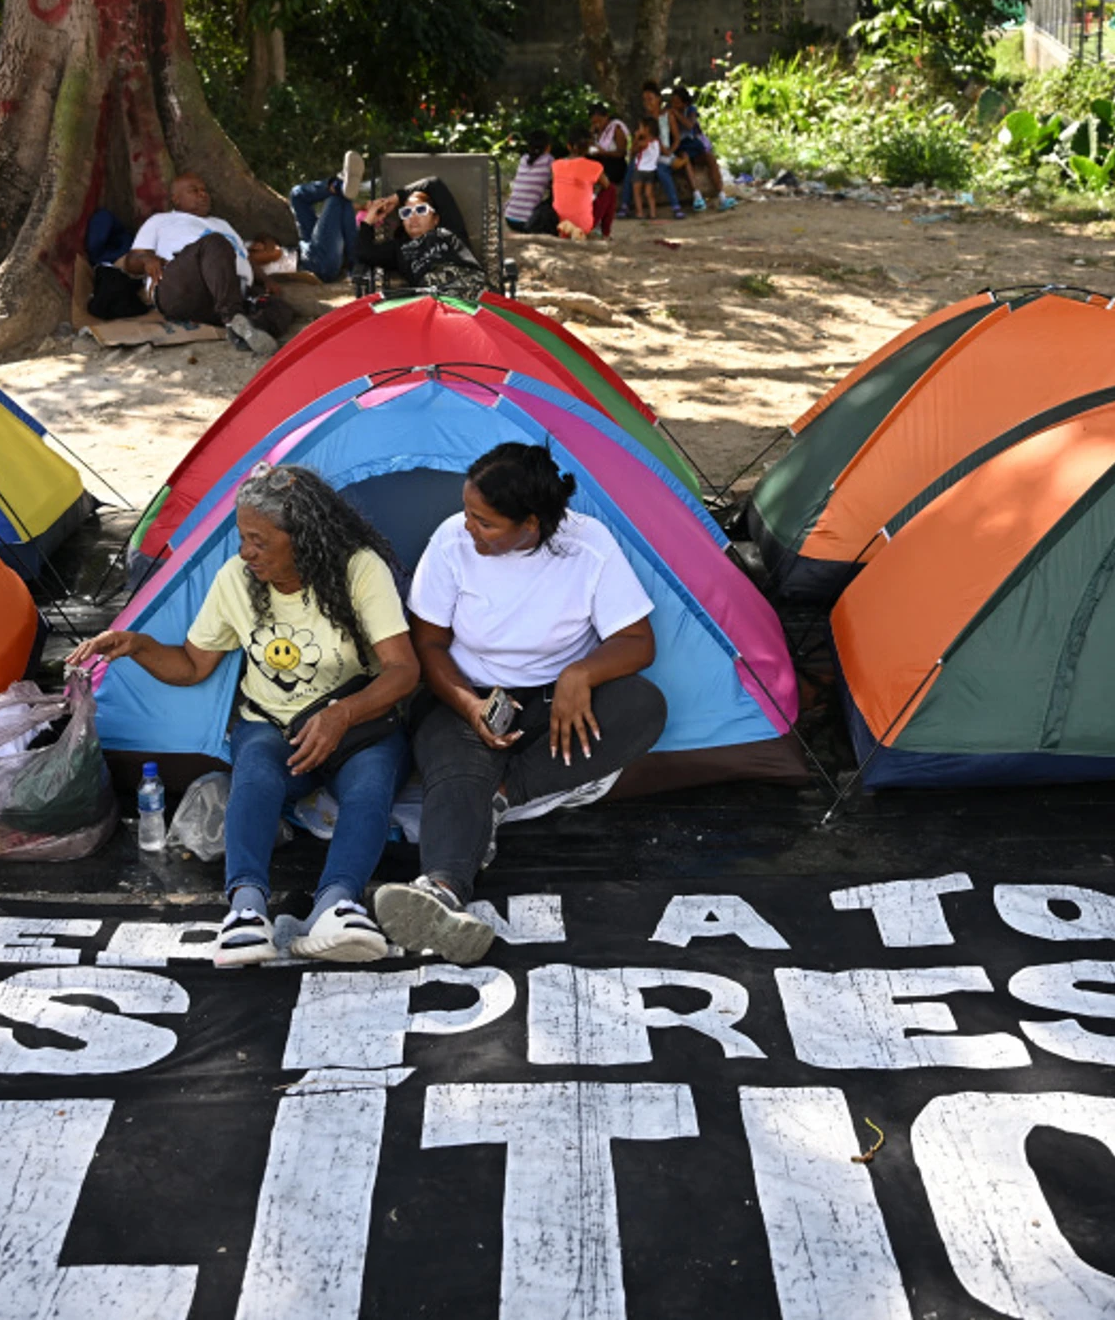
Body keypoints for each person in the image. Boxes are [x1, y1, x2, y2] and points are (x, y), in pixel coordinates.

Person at [68, 464, 419, 966]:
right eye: (241, 538)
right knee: (254, 773)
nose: (244, 552)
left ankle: (336, 906)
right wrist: (138, 645)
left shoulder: (358, 569)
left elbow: (403, 671)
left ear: (303, 537)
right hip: (273, 723)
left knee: (370, 786)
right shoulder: (237, 580)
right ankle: (247, 910)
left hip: (357, 724)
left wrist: (342, 715)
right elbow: (192, 665)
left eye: (258, 540)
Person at [373, 444, 667, 964]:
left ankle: (503, 793)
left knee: (642, 706)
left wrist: (583, 672)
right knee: (457, 764)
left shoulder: (588, 547)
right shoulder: (449, 543)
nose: (467, 529)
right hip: (463, 692)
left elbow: (637, 642)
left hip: (553, 702)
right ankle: (442, 892)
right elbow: (429, 645)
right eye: (467, 513)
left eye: (484, 523)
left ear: (531, 524)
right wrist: (468, 704)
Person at [84, 173, 283, 353]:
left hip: (227, 292)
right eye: (194, 190)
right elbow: (131, 261)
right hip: (180, 286)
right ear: (176, 199)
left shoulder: (223, 224)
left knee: (281, 308)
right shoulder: (160, 221)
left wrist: (265, 279)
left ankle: (244, 331)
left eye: (204, 191)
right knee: (214, 243)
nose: (203, 195)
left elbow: (243, 257)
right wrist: (146, 260)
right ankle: (234, 319)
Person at [356, 181, 488, 301]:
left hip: (474, 292)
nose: (413, 216)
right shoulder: (399, 249)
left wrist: (395, 199)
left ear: (436, 219)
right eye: (406, 212)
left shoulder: (450, 230)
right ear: (402, 222)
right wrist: (369, 220)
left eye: (421, 210)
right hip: (437, 303)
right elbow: (364, 252)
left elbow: (434, 184)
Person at [287, 151, 364, 282]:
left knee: (297, 194)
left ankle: (336, 185)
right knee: (337, 200)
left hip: (307, 245)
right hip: (316, 264)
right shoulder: (246, 257)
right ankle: (356, 261)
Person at [670, 87, 727, 210]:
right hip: (681, 145)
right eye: (673, 102)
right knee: (685, 159)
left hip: (693, 143)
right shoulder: (669, 113)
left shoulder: (690, 110)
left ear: (684, 103)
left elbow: (690, 125)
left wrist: (677, 114)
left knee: (710, 158)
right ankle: (697, 195)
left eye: (677, 102)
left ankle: (722, 195)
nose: (674, 105)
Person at [636, 83, 685, 220]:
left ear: (659, 100)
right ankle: (626, 206)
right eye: (645, 100)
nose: (647, 103)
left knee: (662, 171)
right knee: (632, 171)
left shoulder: (667, 116)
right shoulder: (644, 121)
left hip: (664, 156)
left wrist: (670, 151)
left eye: (650, 99)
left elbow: (677, 138)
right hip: (648, 156)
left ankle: (676, 206)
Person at [505, 133, 558, 237]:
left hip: (509, 217)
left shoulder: (524, 159)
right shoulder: (549, 160)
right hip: (528, 222)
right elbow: (557, 184)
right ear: (548, 147)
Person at [585, 103, 631, 217]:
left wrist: (604, 152)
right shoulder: (597, 132)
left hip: (615, 164)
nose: (597, 124)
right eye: (594, 122)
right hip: (602, 162)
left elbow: (621, 153)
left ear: (606, 117)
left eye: (599, 121)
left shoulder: (616, 128)